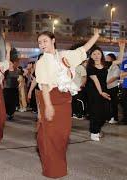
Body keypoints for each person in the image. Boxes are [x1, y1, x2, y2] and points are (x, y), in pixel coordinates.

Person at [35, 29, 99, 178]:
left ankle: (58, 165)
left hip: (64, 100)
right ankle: (52, 170)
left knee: (63, 136)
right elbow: (44, 85)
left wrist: (95, 37)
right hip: (50, 98)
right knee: (50, 137)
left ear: (53, 40)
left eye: (44, 41)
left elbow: (82, 50)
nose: (42, 44)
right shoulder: (41, 62)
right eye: (39, 42)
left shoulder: (64, 56)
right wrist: (48, 105)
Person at [86, 41, 125, 141]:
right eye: (94, 54)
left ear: (101, 55)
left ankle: (96, 129)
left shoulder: (106, 64)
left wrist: (121, 47)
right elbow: (96, 81)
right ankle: (94, 132)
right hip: (93, 91)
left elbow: (119, 60)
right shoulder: (90, 67)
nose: (96, 55)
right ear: (91, 56)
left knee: (105, 113)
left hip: (104, 89)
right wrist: (100, 93)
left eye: (98, 53)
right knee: (96, 112)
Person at [106, 53, 121, 124]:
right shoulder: (106, 66)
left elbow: (115, 77)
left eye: (107, 58)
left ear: (112, 59)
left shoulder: (116, 67)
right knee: (107, 103)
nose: (106, 59)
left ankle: (115, 118)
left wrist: (106, 82)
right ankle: (108, 117)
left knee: (113, 103)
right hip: (106, 87)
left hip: (113, 87)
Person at [121, 57, 127, 125]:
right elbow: (121, 75)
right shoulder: (124, 62)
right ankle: (125, 119)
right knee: (124, 103)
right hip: (125, 86)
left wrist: (125, 74)